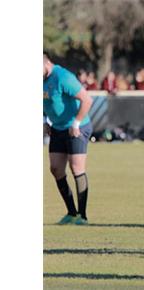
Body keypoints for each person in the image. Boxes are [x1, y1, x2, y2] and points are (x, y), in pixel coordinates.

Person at [43, 52, 93, 226]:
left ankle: (83, 215)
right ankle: (71, 213)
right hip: (57, 127)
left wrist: (77, 123)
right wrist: (44, 120)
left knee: (76, 167)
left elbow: (87, 99)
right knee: (56, 169)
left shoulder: (63, 77)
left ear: (46, 63)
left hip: (77, 127)